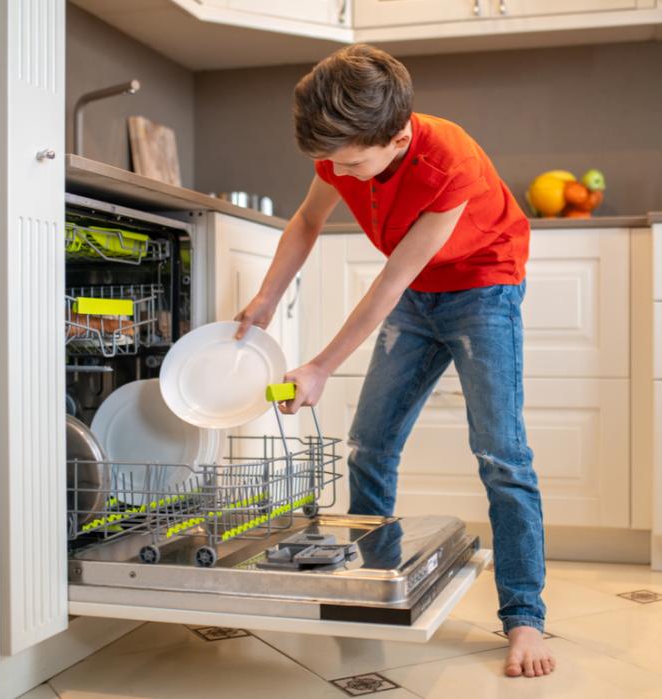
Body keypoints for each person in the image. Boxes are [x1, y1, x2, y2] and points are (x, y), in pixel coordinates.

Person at [234, 44, 554, 679]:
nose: (340, 174)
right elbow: (305, 220)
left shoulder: (449, 162)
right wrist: (267, 299)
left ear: (400, 135)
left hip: (481, 289)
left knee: (502, 456)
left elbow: (391, 283)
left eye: (352, 164)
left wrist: (321, 365)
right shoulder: (342, 149)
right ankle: (374, 585)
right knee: (369, 446)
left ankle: (524, 618)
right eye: (331, 162)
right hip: (416, 293)